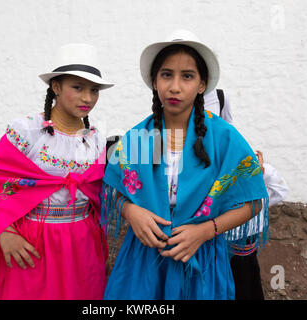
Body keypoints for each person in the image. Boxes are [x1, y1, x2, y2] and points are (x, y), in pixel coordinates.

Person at [101, 30, 269, 300]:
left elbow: (253, 199)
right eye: (166, 74)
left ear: (202, 84)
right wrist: (131, 212)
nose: (175, 87)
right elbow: (115, 191)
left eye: (187, 76)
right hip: (144, 261)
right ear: (155, 82)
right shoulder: (142, 138)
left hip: (201, 261)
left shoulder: (223, 138)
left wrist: (205, 230)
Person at [0, 44, 114, 300]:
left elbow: (101, 188)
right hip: (32, 241)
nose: (87, 98)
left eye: (94, 90)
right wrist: (4, 233)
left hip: (82, 241)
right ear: (56, 87)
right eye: (77, 88)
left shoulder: (97, 140)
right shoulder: (27, 132)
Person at [204, 91, 289, 299]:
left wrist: (259, 175)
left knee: (244, 285)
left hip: (241, 250)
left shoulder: (252, 174)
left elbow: (279, 193)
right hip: (212, 248)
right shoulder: (206, 176)